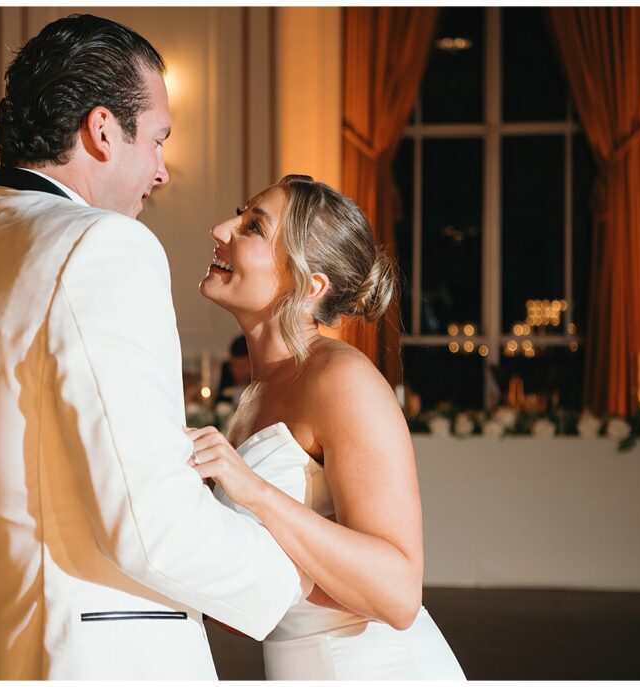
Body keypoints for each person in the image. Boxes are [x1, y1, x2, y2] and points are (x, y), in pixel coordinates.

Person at [0, 15, 309, 681]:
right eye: (157, 140)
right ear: (101, 130)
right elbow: (150, 521)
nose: (161, 170)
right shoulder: (102, 245)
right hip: (104, 659)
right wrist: (295, 577)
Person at [187, 174, 465, 679]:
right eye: (240, 215)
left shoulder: (341, 378)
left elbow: (399, 594)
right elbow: (259, 598)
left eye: (253, 227)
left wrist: (255, 492)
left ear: (309, 286)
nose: (220, 229)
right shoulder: (257, 392)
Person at [213, 334, 252, 407]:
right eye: (233, 366)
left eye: (242, 367)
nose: (236, 372)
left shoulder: (263, 382)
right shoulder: (225, 370)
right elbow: (219, 403)